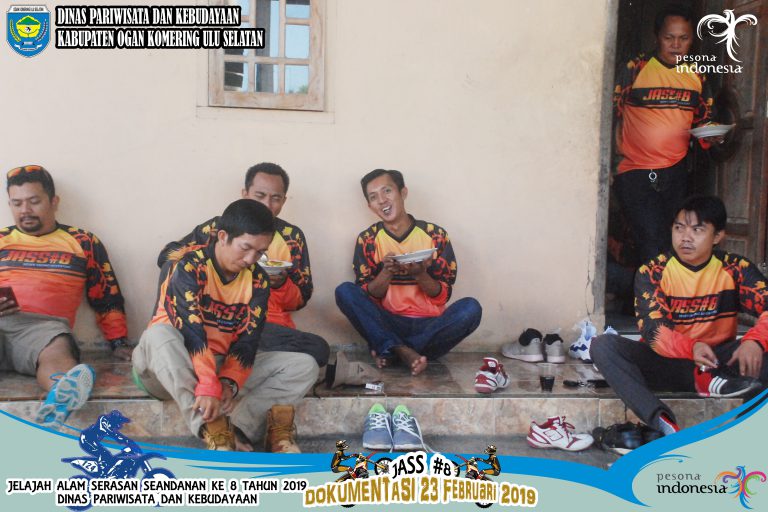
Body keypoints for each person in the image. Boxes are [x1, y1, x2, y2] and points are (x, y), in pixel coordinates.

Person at [133, 199, 317, 452]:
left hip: (217, 366)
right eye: (245, 248)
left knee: (304, 365)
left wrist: (230, 383)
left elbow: (248, 341)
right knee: (159, 335)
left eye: (260, 252)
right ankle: (213, 428)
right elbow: (191, 333)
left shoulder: (258, 281)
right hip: (169, 369)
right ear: (222, 237)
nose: (251, 259)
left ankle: (238, 430)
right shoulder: (188, 267)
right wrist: (209, 385)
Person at [591, 196, 767, 436]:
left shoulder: (735, 269)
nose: (685, 237)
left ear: (717, 236)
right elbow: (654, 332)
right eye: (679, 228)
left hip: (719, 362)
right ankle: (662, 422)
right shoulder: (653, 271)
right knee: (603, 346)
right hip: (668, 364)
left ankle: (749, 429)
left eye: (697, 230)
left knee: (761, 348)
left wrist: (756, 340)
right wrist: (691, 348)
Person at [157, 162, 329, 368]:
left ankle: (232, 358)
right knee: (172, 272)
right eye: (260, 196)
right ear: (245, 194)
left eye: (275, 198)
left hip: (264, 325)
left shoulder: (292, 237)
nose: (267, 204)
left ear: (284, 200)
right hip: (209, 318)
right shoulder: (221, 227)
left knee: (318, 349)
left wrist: (281, 284)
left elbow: (302, 299)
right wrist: (213, 255)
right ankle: (223, 355)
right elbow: (165, 257)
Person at [0, 165, 131, 426]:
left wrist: (119, 342)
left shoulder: (82, 242)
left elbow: (106, 294)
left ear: (54, 201)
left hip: (44, 330)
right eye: (17, 203)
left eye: (34, 201)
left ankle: (62, 395)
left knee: (57, 349)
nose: (25, 210)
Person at [335, 169, 482, 376]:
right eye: (373, 197)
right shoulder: (368, 239)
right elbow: (368, 297)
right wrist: (386, 272)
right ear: (369, 206)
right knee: (345, 291)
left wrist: (421, 275)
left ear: (403, 192)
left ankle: (394, 349)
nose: (382, 200)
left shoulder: (435, 235)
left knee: (470, 309)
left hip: (430, 326)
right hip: (389, 321)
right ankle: (404, 350)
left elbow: (443, 296)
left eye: (387, 191)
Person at [613, 4, 722, 264]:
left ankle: (651, 289)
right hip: (636, 171)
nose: (676, 45)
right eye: (669, 37)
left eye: (683, 38)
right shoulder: (636, 68)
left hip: (675, 173)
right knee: (651, 242)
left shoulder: (696, 75)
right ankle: (648, 291)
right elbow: (610, 114)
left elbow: (703, 121)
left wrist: (714, 135)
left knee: (669, 241)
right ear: (657, 37)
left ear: (692, 40)